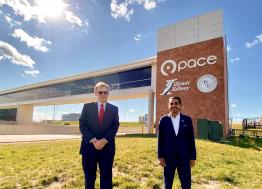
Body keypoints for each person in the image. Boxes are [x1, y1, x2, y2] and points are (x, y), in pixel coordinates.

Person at [79, 82, 119, 189]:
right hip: (89, 148)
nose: (103, 95)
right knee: (89, 178)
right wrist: (94, 140)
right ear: (95, 93)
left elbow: (115, 126)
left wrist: (104, 140)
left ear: (108, 94)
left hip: (107, 149)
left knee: (106, 179)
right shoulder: (87, 107)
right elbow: (83, 125)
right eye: (100, 92)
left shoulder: (114, 109)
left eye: (105, 92)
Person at [157, 96, 196, 189]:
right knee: (167, 183)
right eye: (171, 103)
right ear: (168, 106)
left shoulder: (187, 119)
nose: (173, 105)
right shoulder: (163, 120)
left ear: (180, 105)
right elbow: (160, 140)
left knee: (186, 183)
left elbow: (191, 139)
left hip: (184, 157)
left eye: (176, 103)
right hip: (168, 158)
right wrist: (160, 157)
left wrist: (193, 157)